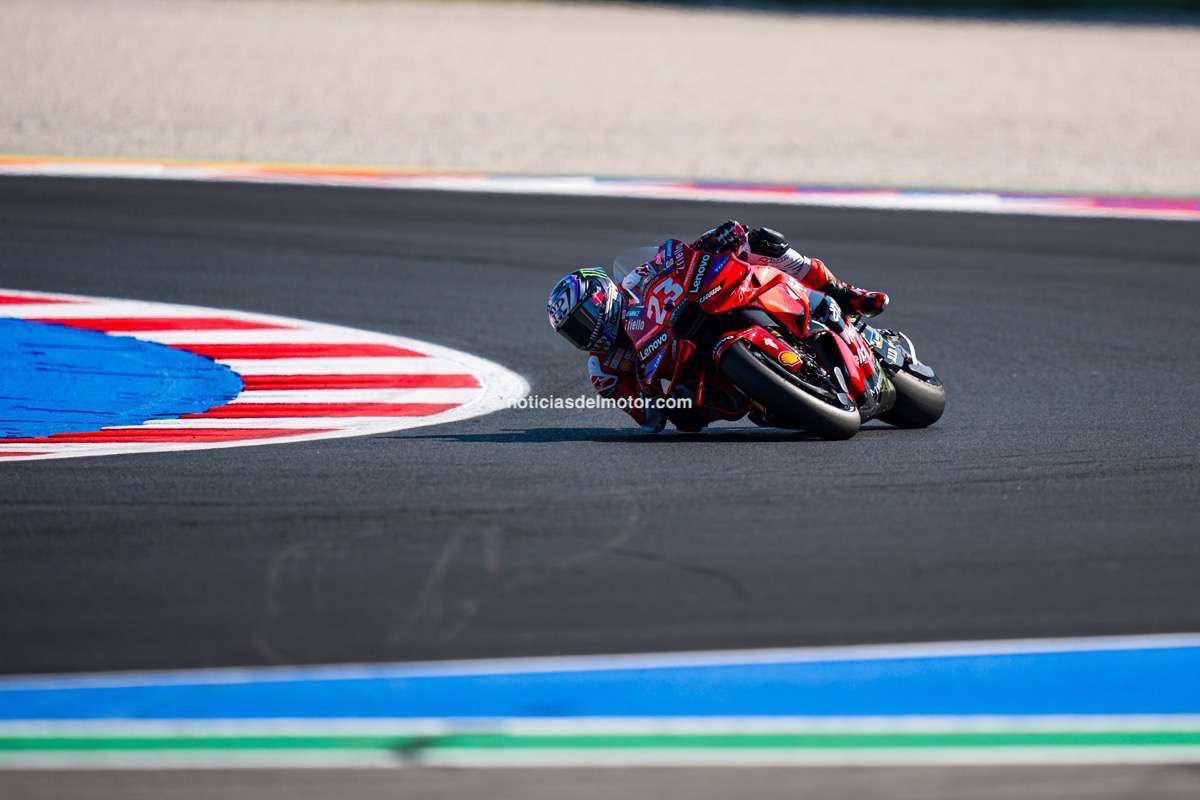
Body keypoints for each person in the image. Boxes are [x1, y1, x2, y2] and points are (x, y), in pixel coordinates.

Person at [546, 220, 888, 432]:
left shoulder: (636, 279)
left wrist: (714, 240)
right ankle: (775, 393)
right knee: (687, 418)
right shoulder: (603, 369)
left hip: (704, 308)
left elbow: (675, 256)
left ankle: (845, 293)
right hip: (697, 377)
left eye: (582, 321)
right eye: (572, 332)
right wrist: (660, 403)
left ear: (603, 298)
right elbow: (645, 419)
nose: (583, 334)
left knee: (761, 242)